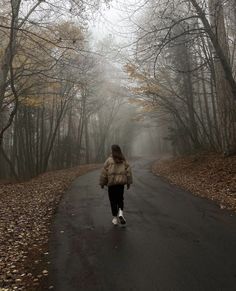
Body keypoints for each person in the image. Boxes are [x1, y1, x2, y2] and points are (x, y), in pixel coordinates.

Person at [99, 144, 133, 226]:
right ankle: (121, 214)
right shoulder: (123, 160)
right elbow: (129, 172)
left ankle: (115, 218)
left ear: (112, 151)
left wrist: (102, 183)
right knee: (120, 199)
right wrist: (128, 183)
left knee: (113, 201)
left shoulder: (108, 161)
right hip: (120, 185)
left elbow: (104, 173)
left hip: (112, 185)